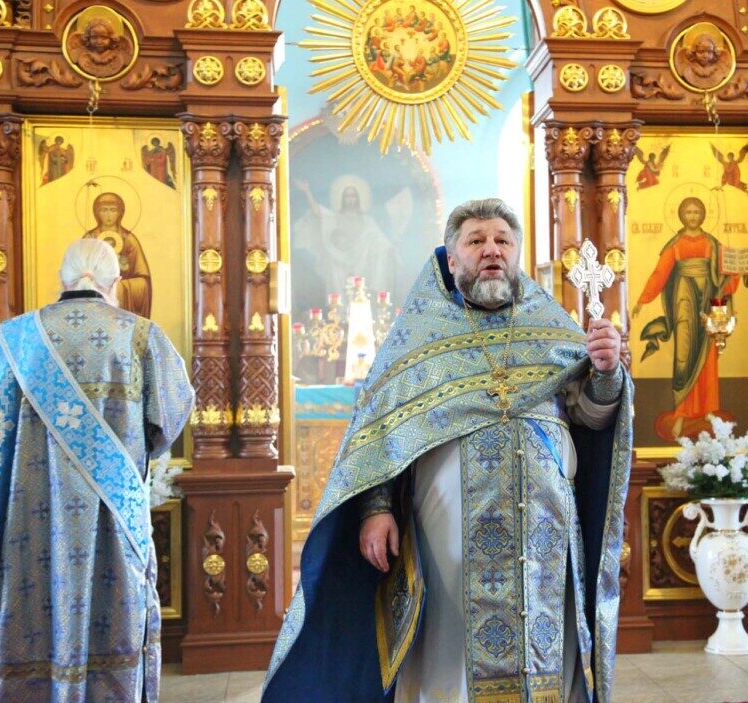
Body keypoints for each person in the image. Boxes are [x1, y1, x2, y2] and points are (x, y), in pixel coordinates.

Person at [264, 199, 633, 703]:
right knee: (448, 654)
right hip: (447, 533)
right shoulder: (416, 342)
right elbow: (378, 432)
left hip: (546, 534)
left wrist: (607, 374)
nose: (491, 250)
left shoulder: (555, 332)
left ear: (517, 255)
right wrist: (375, 509)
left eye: (502, 240)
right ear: (452, 258)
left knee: (547, 648)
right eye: (476, 240)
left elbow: (591, 420)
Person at [0, 239, 194, 701]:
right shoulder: (140, 336)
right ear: (116, 281)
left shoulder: (11, 340)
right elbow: (171, 417)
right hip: (112, 517)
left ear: (61, 278)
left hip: (30, 517)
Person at [632, 197, 740, 441]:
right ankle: (682, 411)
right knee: (683, 355)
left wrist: (738, 273)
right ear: (681, 216)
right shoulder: (676, 244)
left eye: (696, 212)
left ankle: (709, 410)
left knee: (708, 356)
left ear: (703, 215)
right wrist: (642, 300)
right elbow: (660, 274)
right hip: (684, 301)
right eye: (688, 212)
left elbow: (726, 274)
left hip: (708, 303)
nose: (692, 216)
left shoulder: (712, 243)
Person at [83, 191, 153, 318]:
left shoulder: (129, 240)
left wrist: (119, 287)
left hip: (121, 306)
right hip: (95, 302)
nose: (108, 215)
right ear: (96, 213)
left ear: (120, 213)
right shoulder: (89, 239)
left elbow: (143, 281)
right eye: (104, 210)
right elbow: (78, 274)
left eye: (113, 210)